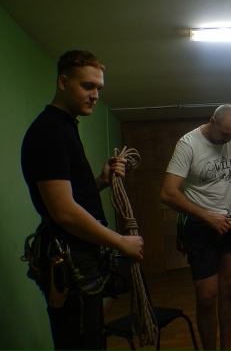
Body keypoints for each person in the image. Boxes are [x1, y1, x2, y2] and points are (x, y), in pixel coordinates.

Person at [20, 50, 145, 351]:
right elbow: (63, 212)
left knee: (89, 339)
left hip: (78, 255)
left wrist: (100, 182)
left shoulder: (64, 126)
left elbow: (67, 197)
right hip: (70, 257)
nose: (95, 95)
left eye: (98, 88)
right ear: (63, 82)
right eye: (88, 86)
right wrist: (121, 242)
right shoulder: (50, 131)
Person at [159, 104, 231, 351]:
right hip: (200, 224)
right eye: (224, 134)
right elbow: (167, 193)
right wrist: (207, 217)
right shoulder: (188, 144)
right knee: (207, 297)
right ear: (212, 121)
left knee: (230, 291)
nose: (228, 140)